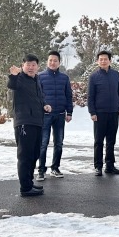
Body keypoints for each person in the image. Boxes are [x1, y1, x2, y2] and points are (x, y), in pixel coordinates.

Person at [8, 54, 48, 197]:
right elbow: (12, 85)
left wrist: (45, 105)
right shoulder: (19, 78)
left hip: (37, 121)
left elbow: (39, 98)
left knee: (34, 154)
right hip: (24, 122)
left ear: (38, 67)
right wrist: (13, 75)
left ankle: (29, 183)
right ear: (22, 66)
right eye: (28, 65)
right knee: (25, 156)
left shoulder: (36, 79)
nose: (31, 67)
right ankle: (25, 188)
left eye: (33, 65)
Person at [88, 50, 119, 176]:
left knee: (111, 140)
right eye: (101, 59)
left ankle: (110, 165)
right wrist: (92, 112)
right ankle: (98, 166)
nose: (103, 61)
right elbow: (90, 97)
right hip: (99, 113)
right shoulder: (93, 77)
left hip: (113, 112)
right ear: (97, 61)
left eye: (105, 59)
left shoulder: (116, 75)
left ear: (110, 61)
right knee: (98, 141)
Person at [37, 50, 73, 180]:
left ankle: (55, 168)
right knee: (43, 143)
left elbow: (68, 95)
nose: (52, 62)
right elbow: (38, 96)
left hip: (60, 114)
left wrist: (69, 112)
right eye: (50, 60)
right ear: (47, 62)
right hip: (45, 115)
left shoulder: (64, 78)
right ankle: (41, 170)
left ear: (59, 62)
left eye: (55, 60)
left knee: (59, 143)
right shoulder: (40, 77)